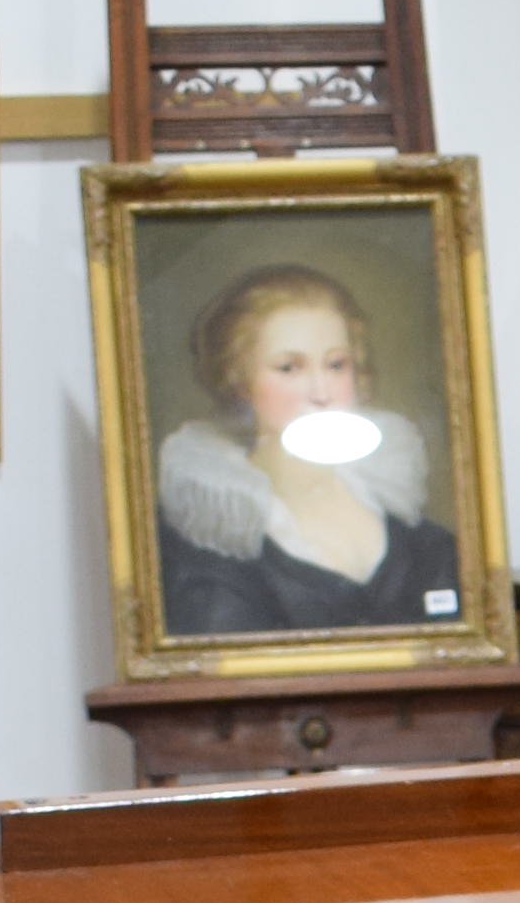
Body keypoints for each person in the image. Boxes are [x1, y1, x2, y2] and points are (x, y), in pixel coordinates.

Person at [152, 260, 459, 641]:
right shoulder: (207, 543)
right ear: (239, 381)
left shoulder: (420, 538)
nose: (321, 392)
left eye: (336, 365)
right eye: (288, 368)